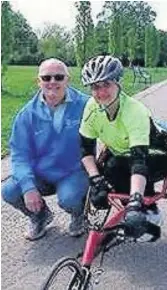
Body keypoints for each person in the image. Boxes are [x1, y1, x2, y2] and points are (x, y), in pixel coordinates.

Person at [79, 55, 167, 242]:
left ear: (117, 82)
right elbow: (85, 149)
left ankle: (149, 211)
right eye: (95, 87)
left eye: (106, 84)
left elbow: (140, 161)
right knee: (111, 168)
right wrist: (96, 180)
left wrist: (136, 201)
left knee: (123, 166)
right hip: (121, 154)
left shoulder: (134, 110)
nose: (101, 92)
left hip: (153, 154)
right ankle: (129, 211)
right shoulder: (91, 107)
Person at [2, 58, 89, 241]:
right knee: (9, 190)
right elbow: (19, 155)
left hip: (73, 171)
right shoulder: (27, 114)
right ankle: (40, 216)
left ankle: (79, 214)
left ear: (68, 79)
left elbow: (115, 120)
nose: (52, 82)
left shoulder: (86, 105)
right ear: (38, 81)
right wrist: (28, 187)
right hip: (41, 173)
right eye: (46, 77)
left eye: (58, 77)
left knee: (69, 199)